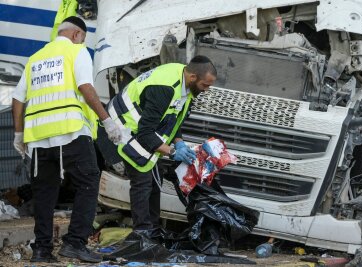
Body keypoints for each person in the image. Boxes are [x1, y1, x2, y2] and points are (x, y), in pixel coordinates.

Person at [12, 16, 122, 263]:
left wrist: (19, 134)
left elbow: (18, 99)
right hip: (71, 132)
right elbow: (85, 86)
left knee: (44, 195)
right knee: (88, 181)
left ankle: (41, 250)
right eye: (83, 37)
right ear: (76, 35)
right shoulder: (76, 51)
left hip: (39, 140)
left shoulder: (35, 59)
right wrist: (107, 120)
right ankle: (74, 243)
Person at [107, 55, 217, 241]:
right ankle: (141, 234)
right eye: (205, 85)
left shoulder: (185, 83)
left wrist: (179, 141)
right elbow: (145, 133)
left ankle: (153, 230)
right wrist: (173, 152)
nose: (206, 90)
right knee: (142, 180)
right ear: (193, 78)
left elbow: (174, 117)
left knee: (154, 179)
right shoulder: (164, 89)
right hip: (123, 127)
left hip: (143, 127)